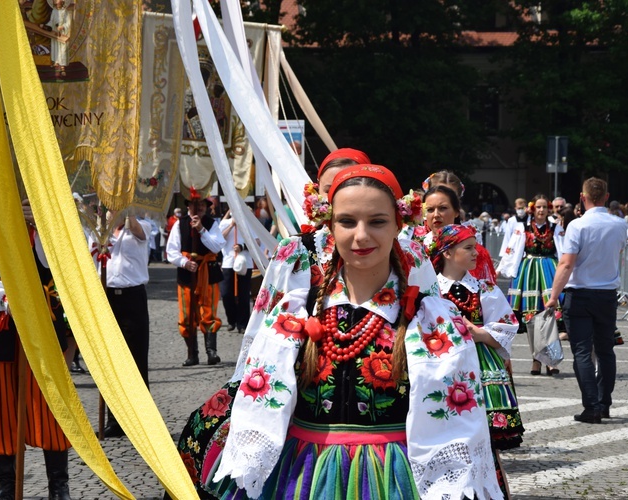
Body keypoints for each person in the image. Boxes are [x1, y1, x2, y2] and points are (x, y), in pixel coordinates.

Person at [212, 164, 501, 499]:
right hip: (301, 475)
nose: (361, 236)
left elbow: (459, 427)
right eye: (347, 221)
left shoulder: (430, 321)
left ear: (399, 224)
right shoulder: (295, 311)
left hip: (395, 476)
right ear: (329, 226)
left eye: (377, 221)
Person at [0, 203, 72, 499]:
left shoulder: (47, 205)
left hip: (41, 321)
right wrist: (6, 297)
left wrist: (41, 226)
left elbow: (59, 262)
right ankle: (7, 484)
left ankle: (58, 484)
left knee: (52, 405)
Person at [431, 224, 522, 499]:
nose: (476, 253)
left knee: (482, 435)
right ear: (447, 252)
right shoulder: (431, 288)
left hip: (479, 367)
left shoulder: (484, 288)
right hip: (441, 365)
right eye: (468, 248)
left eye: (475, 247)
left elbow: (507, 325)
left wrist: (480, 333)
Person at [545, 177, 627, 424]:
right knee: (605, 351)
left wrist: (552, 297)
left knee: (582, 351)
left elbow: (567, 263)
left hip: (580, 293)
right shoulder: (620, 225)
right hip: (607, 294)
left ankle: (591, 406)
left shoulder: (577, 226)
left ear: (583, 197)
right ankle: (604, 404)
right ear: (607, 195)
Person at [91, 210, 152, 438]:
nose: (106, 212)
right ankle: (114, 419)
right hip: (106, 296)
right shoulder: (98, 234)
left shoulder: (140, 226)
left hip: (132, 297)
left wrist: (126, 211)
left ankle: (140, 419)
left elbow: (138, 231)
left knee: (136, 359)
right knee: (110, 360)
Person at [497, 194, 565, 376]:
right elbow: (512, 250)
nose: (541, 210)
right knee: (531, 318)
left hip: (550, 270)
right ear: (532, 209)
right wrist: (500, 269)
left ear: (549, 209)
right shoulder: (522, 228)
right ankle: (536, 359)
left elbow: (564, 250)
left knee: (549, 316)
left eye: (544, 207)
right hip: (528, 272)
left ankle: (550, 359)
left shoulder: (555, 228)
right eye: (538, 207)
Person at [166, 190, 225, 366]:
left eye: (202, 205)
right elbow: (171, 251)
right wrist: (184, 262)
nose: (198, 207)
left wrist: (201, 230)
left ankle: (211, 352)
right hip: (187, 274)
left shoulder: (211, 224)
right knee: (186, 315)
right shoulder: (180, 224)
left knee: (208, 312)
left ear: (206, 207)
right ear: (188, 206)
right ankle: (192, 353)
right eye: (194, 204)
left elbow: (216, 246)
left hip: (208, 273)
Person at [218, 210, 252, 335]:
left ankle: (243, 323)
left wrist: (242, 246)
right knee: (226, 293)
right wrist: (231, 225)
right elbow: (219, 238)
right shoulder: (224, 223)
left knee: (243, 295)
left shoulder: (247, 222)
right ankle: (231, 320)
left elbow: (256, 242)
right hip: (228, 262)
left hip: (244, 263)